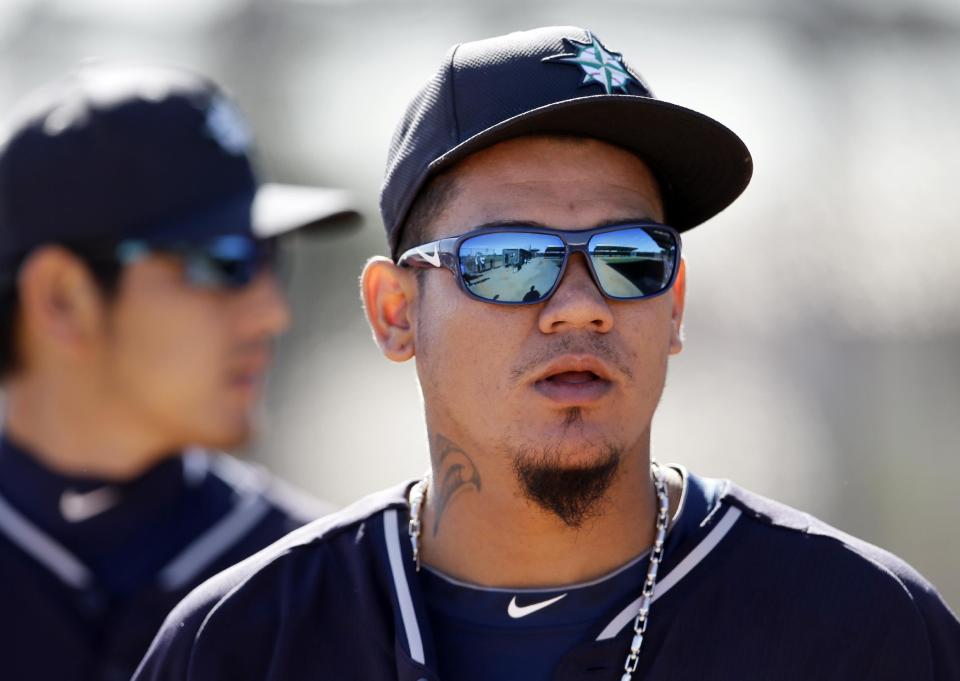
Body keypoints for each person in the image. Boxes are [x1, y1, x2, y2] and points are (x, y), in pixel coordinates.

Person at [133, 26, 960, 681]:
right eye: (509, 261)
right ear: (395, 312)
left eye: (629, 256)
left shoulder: (863, 628)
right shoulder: (243, 642)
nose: (580, 307)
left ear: (672, 304)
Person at [0, 61, 357, 681]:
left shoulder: (327, 579)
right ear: (61, 298)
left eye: (271, 258)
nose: (272, 312)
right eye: (224, 262)